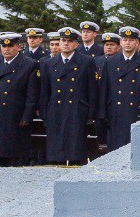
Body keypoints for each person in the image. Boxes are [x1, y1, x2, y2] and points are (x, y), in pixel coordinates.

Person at [0, 33, 40, 170]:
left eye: (10, 46)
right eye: (4, 46)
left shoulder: (29, 65)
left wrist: (26, 116)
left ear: (18, 47)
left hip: (15, 118)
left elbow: (31, 95)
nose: (7, 49)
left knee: (13, 156)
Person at [40, 27, 97, 165]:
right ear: (59, 43)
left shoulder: (86, 61)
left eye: (70, 41)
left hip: (77, 112)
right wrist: (44, 114)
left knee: (75, 154)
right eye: (63, 40)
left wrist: (90, 114)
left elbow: (92, 90)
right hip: (55, 112)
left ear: (76, 45)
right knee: (56, 155)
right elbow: (44, 91)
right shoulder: (48, 63)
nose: (66, 43)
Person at [101, 28, 140, 151]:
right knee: (115, 150)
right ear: (121, 42)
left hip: (137, 113)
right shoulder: (110, 61)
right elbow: (104, 89)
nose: (128, 43)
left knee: (135, 150)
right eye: (125, 40)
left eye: (131, 40)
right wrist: (102, 114)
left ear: (137, 43)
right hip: (115, 113)